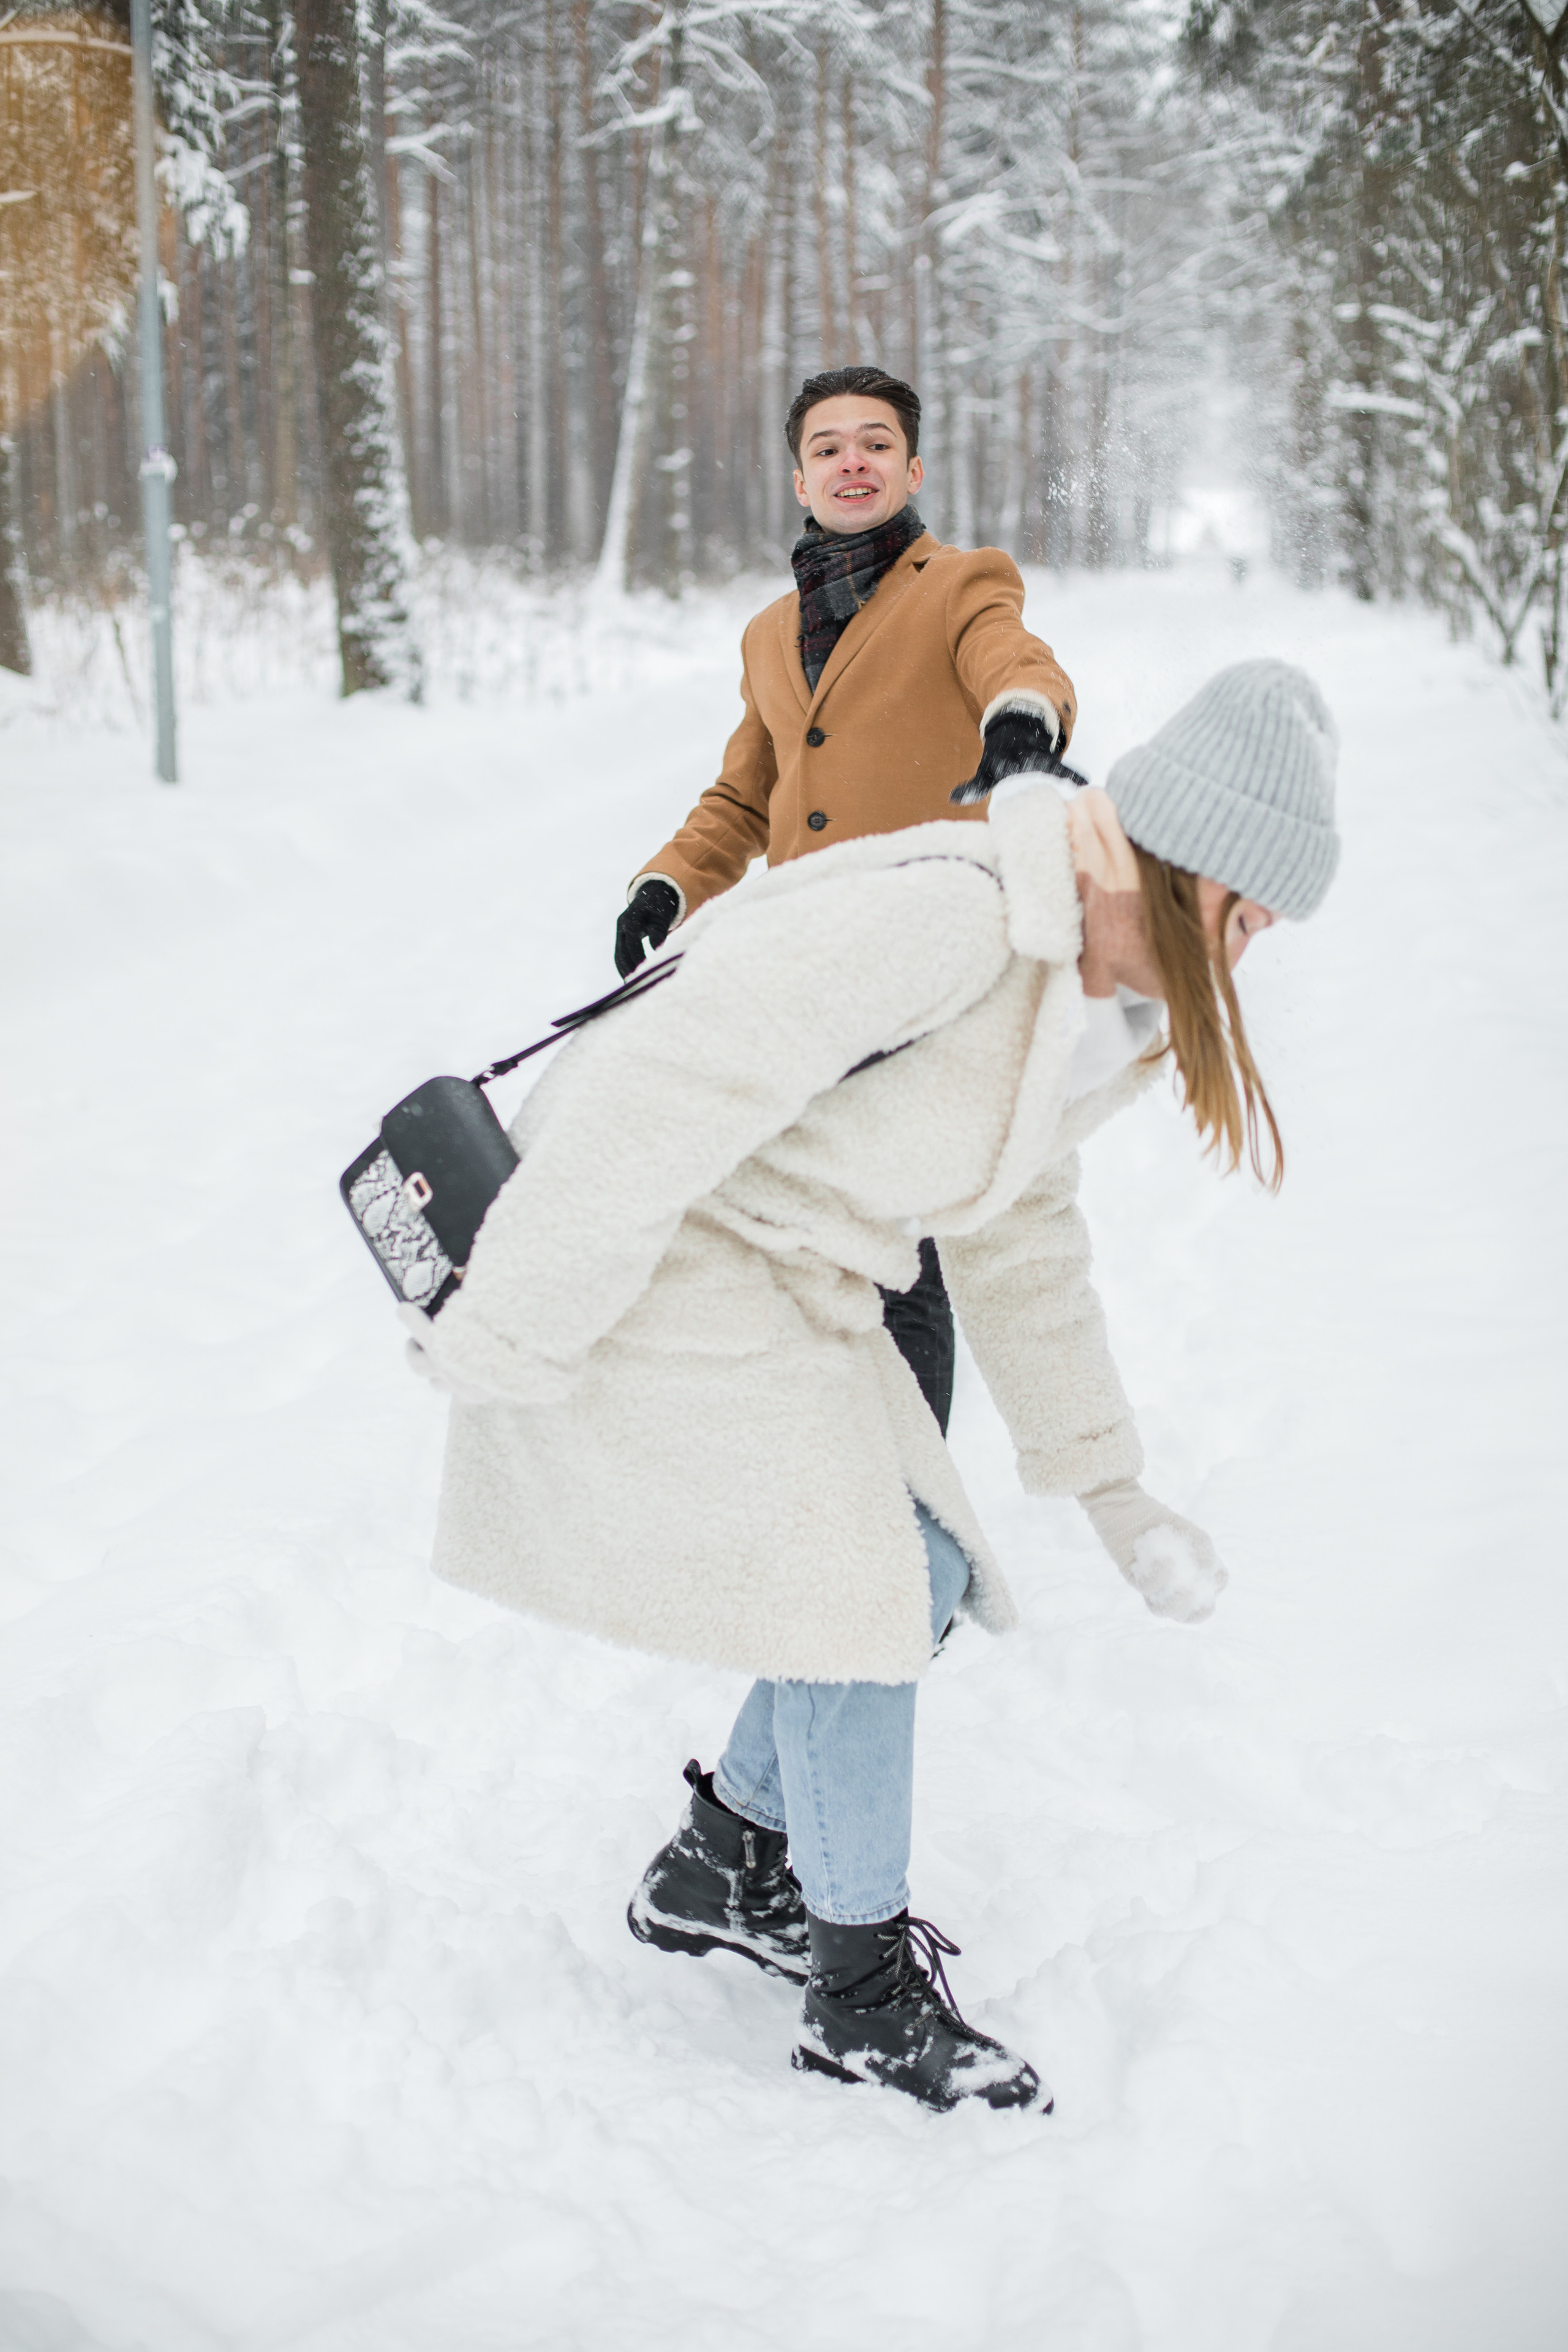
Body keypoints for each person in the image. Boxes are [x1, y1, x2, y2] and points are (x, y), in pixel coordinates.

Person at [407, 658, 1341, 2115]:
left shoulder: (1087, 999)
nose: (1260, 937)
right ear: (1180, 863)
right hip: (676, 1241)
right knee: (856, 1587)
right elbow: (672, 1080)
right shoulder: (958, 919)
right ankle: (857, 1996)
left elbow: (1021, 1235)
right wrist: (515, 1312)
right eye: (1253, 902)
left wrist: (1111, 1484)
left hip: (794, 1272)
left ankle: (718, 1865)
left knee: (900, 1576)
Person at [613, 364, 1082, 1439]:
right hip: (809, 972)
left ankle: (915, 1543)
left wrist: (1018, 727)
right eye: (829, 447)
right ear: (800, 478)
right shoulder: (770, 634)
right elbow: (747, 791)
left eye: (875, 443)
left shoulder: (961, 585)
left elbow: (1020, 664)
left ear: (911, 469)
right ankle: (833, 1477)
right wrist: (667, 884)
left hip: (929, 969)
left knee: (896, 1245)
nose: (853, 461)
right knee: (807, 1233)